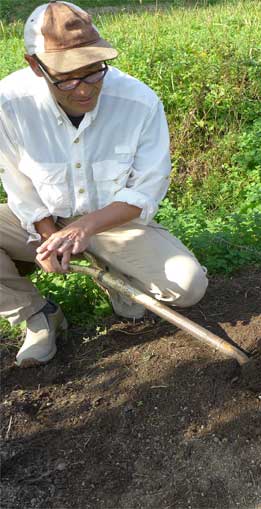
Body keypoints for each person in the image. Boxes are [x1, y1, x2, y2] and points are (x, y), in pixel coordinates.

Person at [0, 1, 208, 367]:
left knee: (188, 286)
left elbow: (145, 190)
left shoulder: (138, 102)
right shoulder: (9, 104)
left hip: (110, 225)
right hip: (40, 222)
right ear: (35, 65)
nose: (84, 89)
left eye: (94, 71)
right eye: (67, 77)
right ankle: (36, 314)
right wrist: (50, 235)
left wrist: (84, 228)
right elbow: (18, 184)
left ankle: (112, 274)